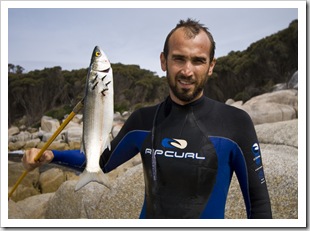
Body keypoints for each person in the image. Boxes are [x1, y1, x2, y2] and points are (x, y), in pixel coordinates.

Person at [22, 18, 272, 219]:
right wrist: (51, 155)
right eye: (179, 58)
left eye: (198, 61)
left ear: (211, 66)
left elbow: (259, 204)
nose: (187, 70)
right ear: (164, 61)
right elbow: (101, 163)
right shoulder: (142, 120)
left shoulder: (235, 122)